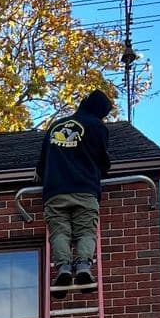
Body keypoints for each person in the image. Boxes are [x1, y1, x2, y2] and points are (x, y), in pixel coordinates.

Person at [35, 89, 113, 294]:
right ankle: (83, 267)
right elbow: (104, 163)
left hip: (55, 191)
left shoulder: (55, 126)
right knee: (85, 231)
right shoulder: (97, 126)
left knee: (60, 232)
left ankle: (63, 268)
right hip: (85, 189)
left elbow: (41, 166)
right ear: (100, 112)